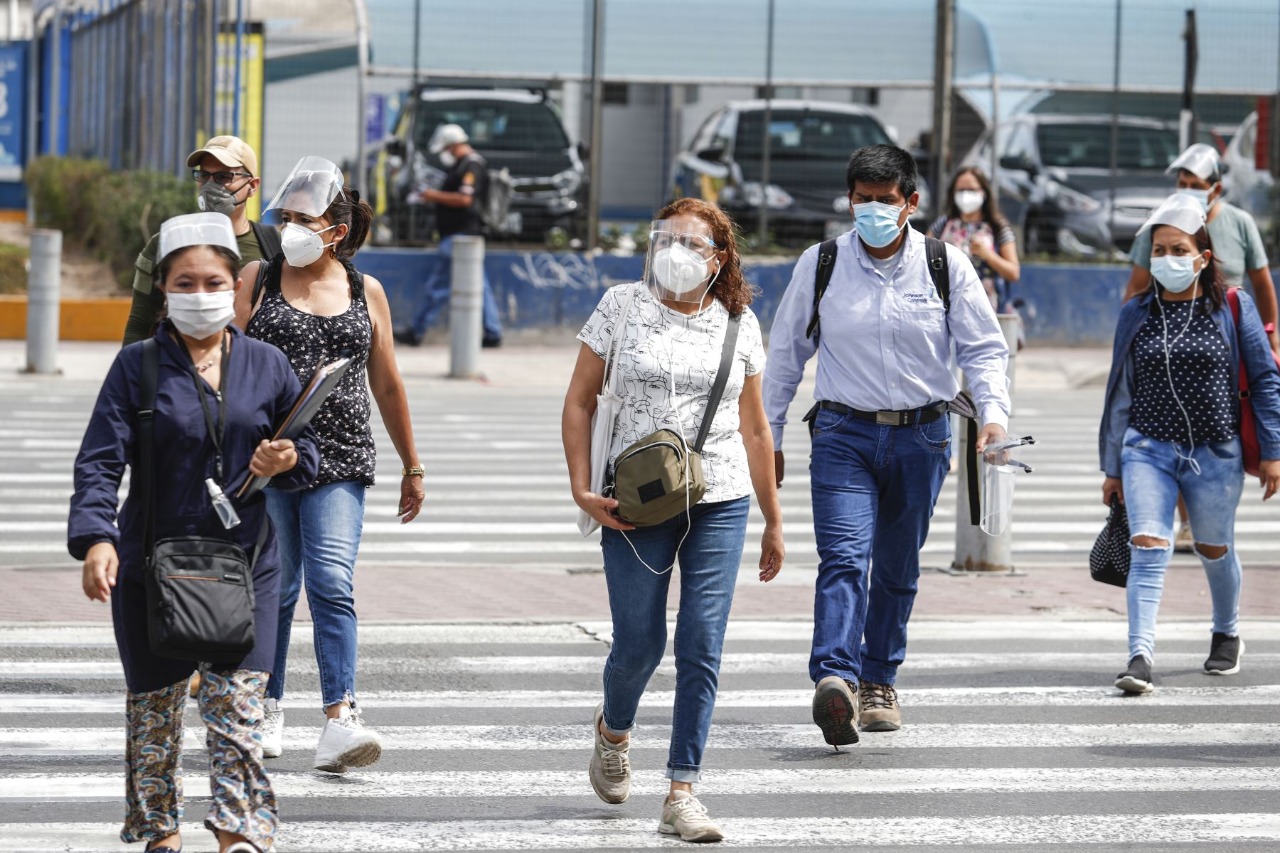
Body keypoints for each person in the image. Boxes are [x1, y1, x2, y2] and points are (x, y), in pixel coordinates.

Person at [69, 212, 320, 853]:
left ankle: (239, 835)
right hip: (152, 565)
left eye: (214, 281)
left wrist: (286, 459)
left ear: (235, 286)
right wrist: (97, 538)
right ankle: (161, 835)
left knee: (238, 717)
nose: (201, 293)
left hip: (245, 567)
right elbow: (101, 459)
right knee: (155, 715)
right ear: (165, 290)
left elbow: (308, 451)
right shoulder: (136, 367)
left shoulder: (267, 364)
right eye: (185, 282)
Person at [762, 144, 1010, 745]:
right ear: (850, 200)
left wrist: (994, 415)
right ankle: (837, 679)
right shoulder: (821, 263)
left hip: (922, 437)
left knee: (897, 569)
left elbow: (982, 348)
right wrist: (767, 436)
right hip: (843, 435)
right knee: (844, 558)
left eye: (885, 200)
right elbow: (785, 355)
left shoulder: (946, 265)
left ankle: (879, 680)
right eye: (862, 200)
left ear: (911, 203)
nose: (872, 210)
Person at [562, 197, 784, 842]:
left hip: (722, 497)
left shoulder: (740, 323)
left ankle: (682, 790)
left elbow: (756, 426)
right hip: (635, 499)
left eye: (696, 244)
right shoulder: (620, 306)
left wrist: (774, 519)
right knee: (638, 643)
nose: (680, 253)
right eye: (671, 239)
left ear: (721, 259)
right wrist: (580, 488)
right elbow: (578, 402)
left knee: (701, 643)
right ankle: (613, 729)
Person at [234, 156, 425, 774]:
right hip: (268, 460)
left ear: (335, 230)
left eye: (302, 219)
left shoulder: (364, 290)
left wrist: (412, 466)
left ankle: (340, 720)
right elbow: (229, 371)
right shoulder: (258, 279)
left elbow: (388, 383)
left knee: (332, 583)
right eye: (285, 217)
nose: (289, 228)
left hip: (341, 459)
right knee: (278, 588)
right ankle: (267, 702)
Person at [1099, 193, 1280, 695]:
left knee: (1213, 548)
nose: (1166, 260)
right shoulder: (1136, 312)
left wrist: (1272, 451)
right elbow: (1120, 392)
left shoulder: (1232, 305)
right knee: (1149, 546)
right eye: (1158, 251)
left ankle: (1227, 633)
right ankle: (1140, 656)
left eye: (1178, 250)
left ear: (1202, 257)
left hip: (1215, 453)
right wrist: (1111, 465)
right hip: (1147, 449)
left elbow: (1265, 379)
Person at [1123, 143, 1280, 553]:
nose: (1187, 189)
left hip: (1228, 337)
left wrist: (1270, 333)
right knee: (1169, 427)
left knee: (1223, 423)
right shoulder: (1164, 223)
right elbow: (1138, 283)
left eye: (1196, 184)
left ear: (1215, 188)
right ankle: (1186, 519)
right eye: (1182, 183)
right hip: (1171, 332)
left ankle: (1209, 518)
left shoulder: (1239, 223)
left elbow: (1262, 282)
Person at [122, 136, 280, 346]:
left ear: (252, 186)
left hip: (250, 370)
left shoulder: (274, 245)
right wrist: (130, 374)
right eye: (204, 175)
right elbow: (140, 324)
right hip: (180, 368)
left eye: (223, 177)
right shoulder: (167, 242)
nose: (210, 185)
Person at [394, 123, 503, 347]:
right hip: (460, 236)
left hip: (460, 237)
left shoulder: (471, 166)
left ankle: (417, 330)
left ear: (453, 146)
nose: (444, 154)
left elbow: (465, 199)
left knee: (439, 285)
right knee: (478, 286)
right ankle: (493, 333)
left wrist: (432, 195)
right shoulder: (463, 165)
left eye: (445, 149)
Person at [927, 166, 1021, 311]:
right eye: (960, 190)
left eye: (971, 189)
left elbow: (1013, 273)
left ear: (984, 192)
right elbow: (922, 256)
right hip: (945, 304)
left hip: (984, 307)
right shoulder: (943, 224)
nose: (965, 195)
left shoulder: (997, 227)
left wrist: (988, 255)